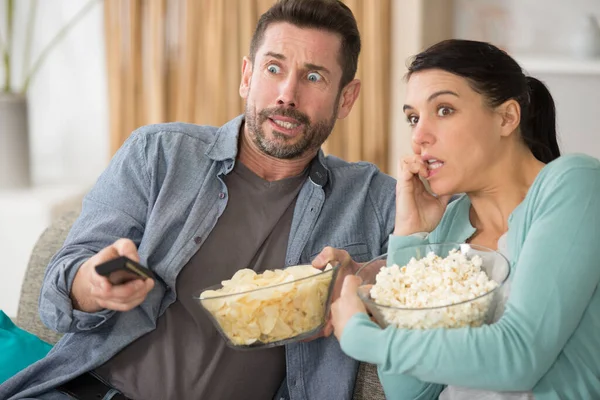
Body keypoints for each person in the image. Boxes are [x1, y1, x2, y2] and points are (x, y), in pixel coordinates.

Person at [0, 1, 397, 399]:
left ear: (346, 98)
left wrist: (364, 274)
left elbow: (445, 262)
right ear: (247, 75)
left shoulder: (368, 197)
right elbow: (56, 294)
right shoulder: (158, 153)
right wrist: (92, 285)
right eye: (273, 69)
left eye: (313, 77)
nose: (287, 94)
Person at [330, 39, 600, 400]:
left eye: (443, 110)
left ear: (506, 118)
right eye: (413, 118)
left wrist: (364, 337)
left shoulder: (573, 183)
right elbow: (409, 392)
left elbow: (520, 357)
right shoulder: (451, 227)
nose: (419, 137)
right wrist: (410, 239)